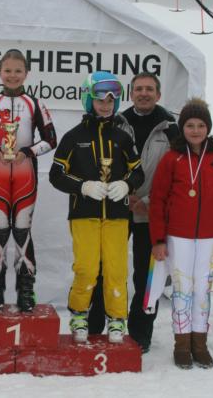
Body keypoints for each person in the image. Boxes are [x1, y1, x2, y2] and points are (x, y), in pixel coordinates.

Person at [49, 71, 144, 344]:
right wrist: (83, 186)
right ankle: (79, 314)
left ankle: (117, 319)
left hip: (116, 215)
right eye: (100, 100)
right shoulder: (74, 137)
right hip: (84, 214)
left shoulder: (123, 137)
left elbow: (138, 172)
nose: (105, 105)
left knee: (116, 270)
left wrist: (126, 184)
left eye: (111, 101)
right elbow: (56, 175)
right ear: (89, 100)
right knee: (87, 268)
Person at [88, 72, 178, 353]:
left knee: (146, 276)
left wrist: (148, 200)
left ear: (158, 94)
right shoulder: (116, 122)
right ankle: (94, 326)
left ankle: (141, 333)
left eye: (149, 89)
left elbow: (176, 174)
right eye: (138, 89)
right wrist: (124, 193)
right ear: (131, 93)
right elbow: (100, 164)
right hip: (117, 207)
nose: (144, 93)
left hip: (152, 212)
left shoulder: (172, 129)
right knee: (104, 269)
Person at [149, 98, 213, 369]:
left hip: (211, 238)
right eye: (190, 125)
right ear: (182, 127)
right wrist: (158, 239)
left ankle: (200, 344)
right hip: (178, 237)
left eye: (201, 125)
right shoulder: (171, 158)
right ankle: (181, 345)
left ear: (208, 127)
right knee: (182, 290)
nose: (196, 130)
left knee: (202, 290)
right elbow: (158, 200)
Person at [0, 49, 57, 312]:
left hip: (25, 174)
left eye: (18, 71)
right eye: (8, 70)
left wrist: (27, 152)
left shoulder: (35, 104)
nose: (13, 75)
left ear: (26, 73)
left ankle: (25, 287)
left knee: (22, 229)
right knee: (0, 229)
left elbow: (51, 139)